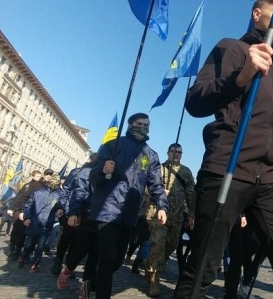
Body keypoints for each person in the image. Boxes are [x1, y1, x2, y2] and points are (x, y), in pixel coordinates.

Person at [173, 0, 273, 299]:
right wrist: (241, 77)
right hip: (228, 167)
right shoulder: (232, 47)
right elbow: (196, 101)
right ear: (256, 14)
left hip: (269, 177)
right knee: (204, 265)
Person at [87, 112, 169, 299]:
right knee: (107, 259)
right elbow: (93, 178)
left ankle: (91, 284)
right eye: (139, 124)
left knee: (116, 261)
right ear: (130, 124)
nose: (142, 128)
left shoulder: (151, 155)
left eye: (146, 125)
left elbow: (156, 184)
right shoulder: (113, 146)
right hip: (107, 209)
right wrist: (103, 170)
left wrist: (162, 206)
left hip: (130, 213)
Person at [143, 143, 196, 296]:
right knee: (158, 246)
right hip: (158, 214)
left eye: (179, 152)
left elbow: (191, 194)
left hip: (177, 216)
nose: (176, 154)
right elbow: (146, 187)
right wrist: (158, 192)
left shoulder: (186, 172)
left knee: (172, 244)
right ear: (168, 153)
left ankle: (149, 262)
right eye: (173, 151)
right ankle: (154, 282)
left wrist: (191, 214)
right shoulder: (159, 169)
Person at [56, 157, 99, 297]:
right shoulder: (86, 171)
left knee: (95, 253)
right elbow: (78, 192)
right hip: (86, 214)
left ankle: (85, 285)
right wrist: (72, 212)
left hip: (105, 218)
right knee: (81, 248)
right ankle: (67, 269)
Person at [19, 174, 65, 273]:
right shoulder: (40, 193)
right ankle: (27, 259)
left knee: (37, 244)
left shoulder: (56, 195)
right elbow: (29, 205)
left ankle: (32, 262)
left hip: (43, 222)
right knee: (33, 243)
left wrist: (60, 209)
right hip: (38, 221)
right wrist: (27, 217)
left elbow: (60, 205)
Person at [7, 170, 50, 260]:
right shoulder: (29, 185)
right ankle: (14, 250)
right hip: (23, 210)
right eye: (37, 176)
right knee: (17, 231)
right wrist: (13, 208)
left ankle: (24, 252)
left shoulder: (43, 186)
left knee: (27, 233)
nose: (39, 178)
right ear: (33, 176)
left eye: (40, 176)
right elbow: (20, 197)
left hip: (33, 213)